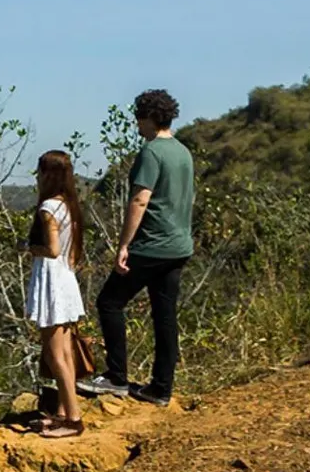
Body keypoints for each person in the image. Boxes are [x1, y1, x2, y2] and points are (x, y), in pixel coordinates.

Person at [79, 89, 194, 406]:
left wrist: (124, 244)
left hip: (152, 244)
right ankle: (161, 387)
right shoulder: (183, 152)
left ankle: (116, 377)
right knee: (165, 315)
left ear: (150, 118)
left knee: (110, 302)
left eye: (139, 119)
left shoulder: (152, 152)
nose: (136, 126)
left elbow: (140, 199)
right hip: (179, 245)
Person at [21, 149, 87, 438]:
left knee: (54, 354)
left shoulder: (48, 208)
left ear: (47, 174)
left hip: (51, 282)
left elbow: (52, 249)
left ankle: (73, 418)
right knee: (65, 352)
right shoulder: (68, 204)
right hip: (65, 279)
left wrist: (28, 249)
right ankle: (63, 412)